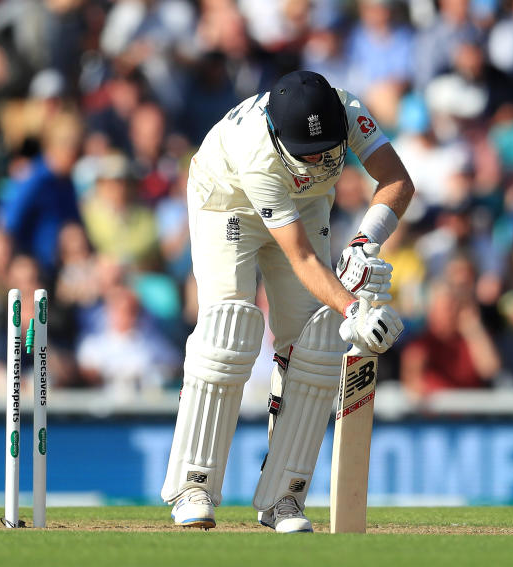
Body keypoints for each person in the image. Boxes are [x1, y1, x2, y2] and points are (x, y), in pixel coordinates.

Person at [162, 71, 412, 532]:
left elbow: (397, 180)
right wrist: (354, 309)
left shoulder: (347, 109)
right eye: (306, 153)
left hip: (306, 203)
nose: (318, 159)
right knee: (228, 329)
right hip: (227, 201)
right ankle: (192, 487)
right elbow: (299, 256)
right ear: (280, 137)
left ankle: (284, 498)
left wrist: (363, 243)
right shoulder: (257, 152)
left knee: (317, 342)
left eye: (325, 150)